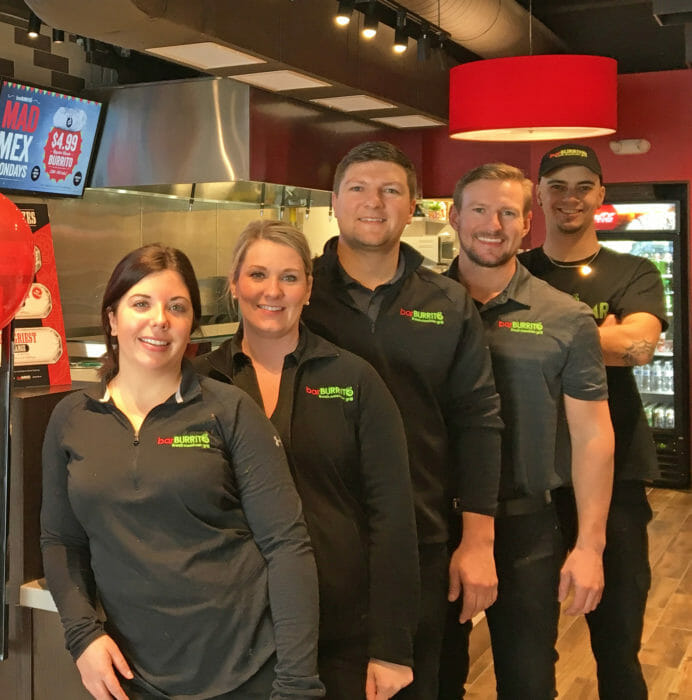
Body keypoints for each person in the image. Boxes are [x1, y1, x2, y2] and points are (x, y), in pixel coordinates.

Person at [40, 244, 325, 700]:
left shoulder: (229, 410)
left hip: (246, 673)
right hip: (133, 678)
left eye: (177, 307)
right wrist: (83, 636)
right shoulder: (72, 418)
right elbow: (61, 542)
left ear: (191, 324)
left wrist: (296, 685)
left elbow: (287, 546)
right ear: (112, 319)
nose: (160, 320)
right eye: (141, 303)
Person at [301, 141, 503, 700]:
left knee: (419, 686)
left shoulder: (448, 302)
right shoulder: (297, 295)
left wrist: (478, 542)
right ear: (336, 202)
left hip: (421, 538)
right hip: (314, 540)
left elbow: (479, 421)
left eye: (391, 190)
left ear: (413, 205)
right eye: (359, 188)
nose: (375, 202)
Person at [194, 220, 420, 699]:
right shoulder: (196, 384)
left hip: (338, 632)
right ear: (234, 284)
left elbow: (394, 518)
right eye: (257, 275)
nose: (272, 291)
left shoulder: (355, 380)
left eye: (289, 277)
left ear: (309, 289)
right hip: (227, 634)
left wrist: (392, 647)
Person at [440, 163, 614, 698]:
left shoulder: (566, 317)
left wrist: (590, 546)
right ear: (453, 217)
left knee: (529, 680)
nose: (493, 224)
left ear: (526, 224)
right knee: (431, 680)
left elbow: (593, 436)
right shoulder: (416, 307)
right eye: (479, 209)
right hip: (433, 524)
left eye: (508, 212)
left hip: (526, 529)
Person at [519, 143, 667, 699]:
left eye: (584, 186)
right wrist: (593, 342)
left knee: (618, 642)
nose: (570, 198)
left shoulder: (633, 271)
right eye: (557, 186)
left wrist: (531, 335)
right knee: (529, 643)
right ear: (539, 196)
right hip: (528, 475)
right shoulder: (516, 268)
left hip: (616, 474)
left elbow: (640, 345)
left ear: (602, 196)